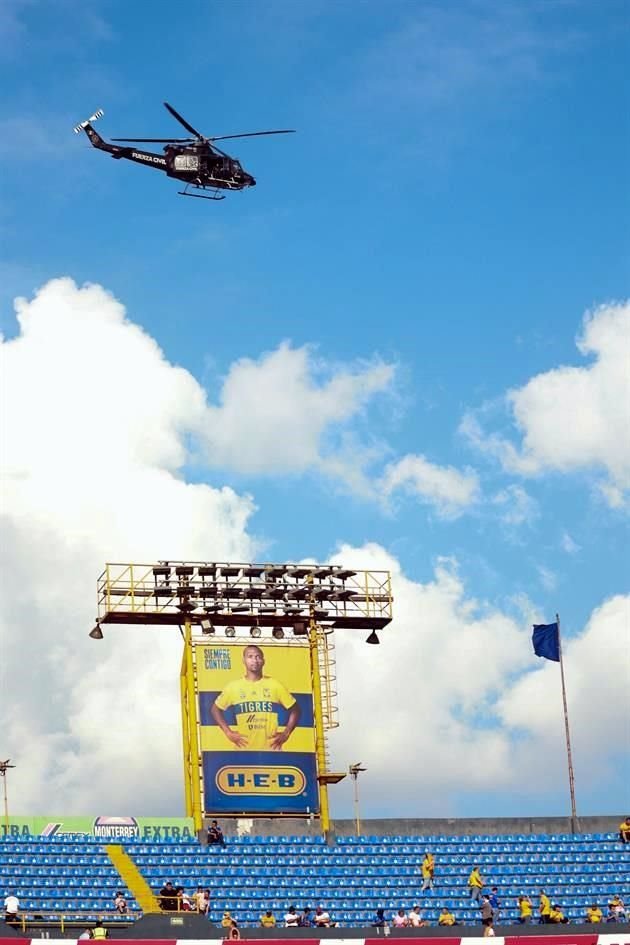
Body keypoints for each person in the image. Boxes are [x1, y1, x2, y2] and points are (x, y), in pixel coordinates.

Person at [210, 645, 301, 750]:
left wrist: (286, 733)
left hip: (271, 750)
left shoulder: (275, 685)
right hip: (244, 751)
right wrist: (228, 732)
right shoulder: (234, 687)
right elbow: (215, 709)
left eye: (258, 657)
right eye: (250, 656)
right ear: (244, 660)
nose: (255, 660)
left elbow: (296, 709)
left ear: (263, 661)